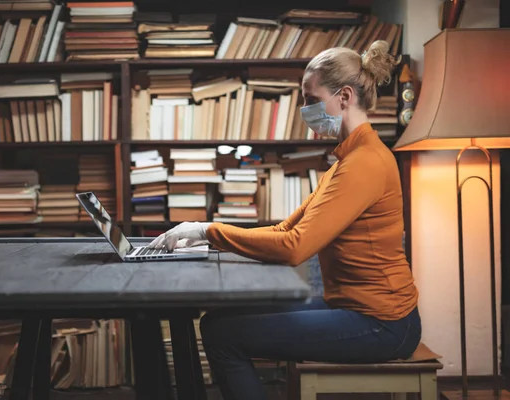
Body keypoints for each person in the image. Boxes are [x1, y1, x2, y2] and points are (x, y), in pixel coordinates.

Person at [149, 40, 420, 400]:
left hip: (382, 322)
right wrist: (205, 236)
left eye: (310, 99)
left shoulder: (364, 163)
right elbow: (284, 229)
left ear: (344, 97)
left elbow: (295, 247)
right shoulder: (349, 160)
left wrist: (207, 230)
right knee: (215, 320)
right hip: (350, 304)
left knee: (222, 336)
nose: (304, 109)